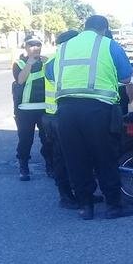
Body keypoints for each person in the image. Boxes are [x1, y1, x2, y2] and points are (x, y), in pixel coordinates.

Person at [47, 15, 133, 220]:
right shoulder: (109, 45)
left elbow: (50, 73)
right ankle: (114, 205)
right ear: (103, 29)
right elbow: (125, 76)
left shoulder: (64, 47)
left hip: (66, 111)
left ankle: (85, 207)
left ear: (84, 28)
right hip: (98, 110)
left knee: (76, 159)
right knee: (104, 157)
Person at [43, 29, 79, 208]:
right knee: (62, 159)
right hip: (57, 117)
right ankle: (66, 197)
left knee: (72, 157)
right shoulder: (57, 62)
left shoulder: (58, 60)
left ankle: (77, 193)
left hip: (59, 116)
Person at [12, 37, 52, 181]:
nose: (35, 47)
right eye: (31, 45)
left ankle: (50, 165)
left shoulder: (46, 62)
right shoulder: (19, 63)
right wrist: (29, 63)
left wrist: (47, 63)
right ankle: (23, 166)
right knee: (25, 139)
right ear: (25, 47)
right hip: (24, 109)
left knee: (48, 140)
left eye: (38, 44)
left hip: (44, 107)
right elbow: (20, 80)